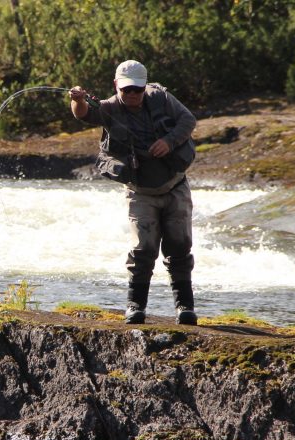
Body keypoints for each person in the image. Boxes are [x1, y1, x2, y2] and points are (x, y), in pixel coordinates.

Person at [69, 60, 198, 325]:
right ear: (116, 86)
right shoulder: (107, 108)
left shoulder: (161, 97)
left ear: (144, 86)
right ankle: (135, 306)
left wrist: (169, 141)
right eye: (126, 90)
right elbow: (81, 114)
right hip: (139, 191)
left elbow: (188, 120)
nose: (132, 95)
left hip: (175, 186)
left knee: (179, 247)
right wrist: (77, 99)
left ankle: (185, 308)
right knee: (143, 249)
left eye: (137, 90)